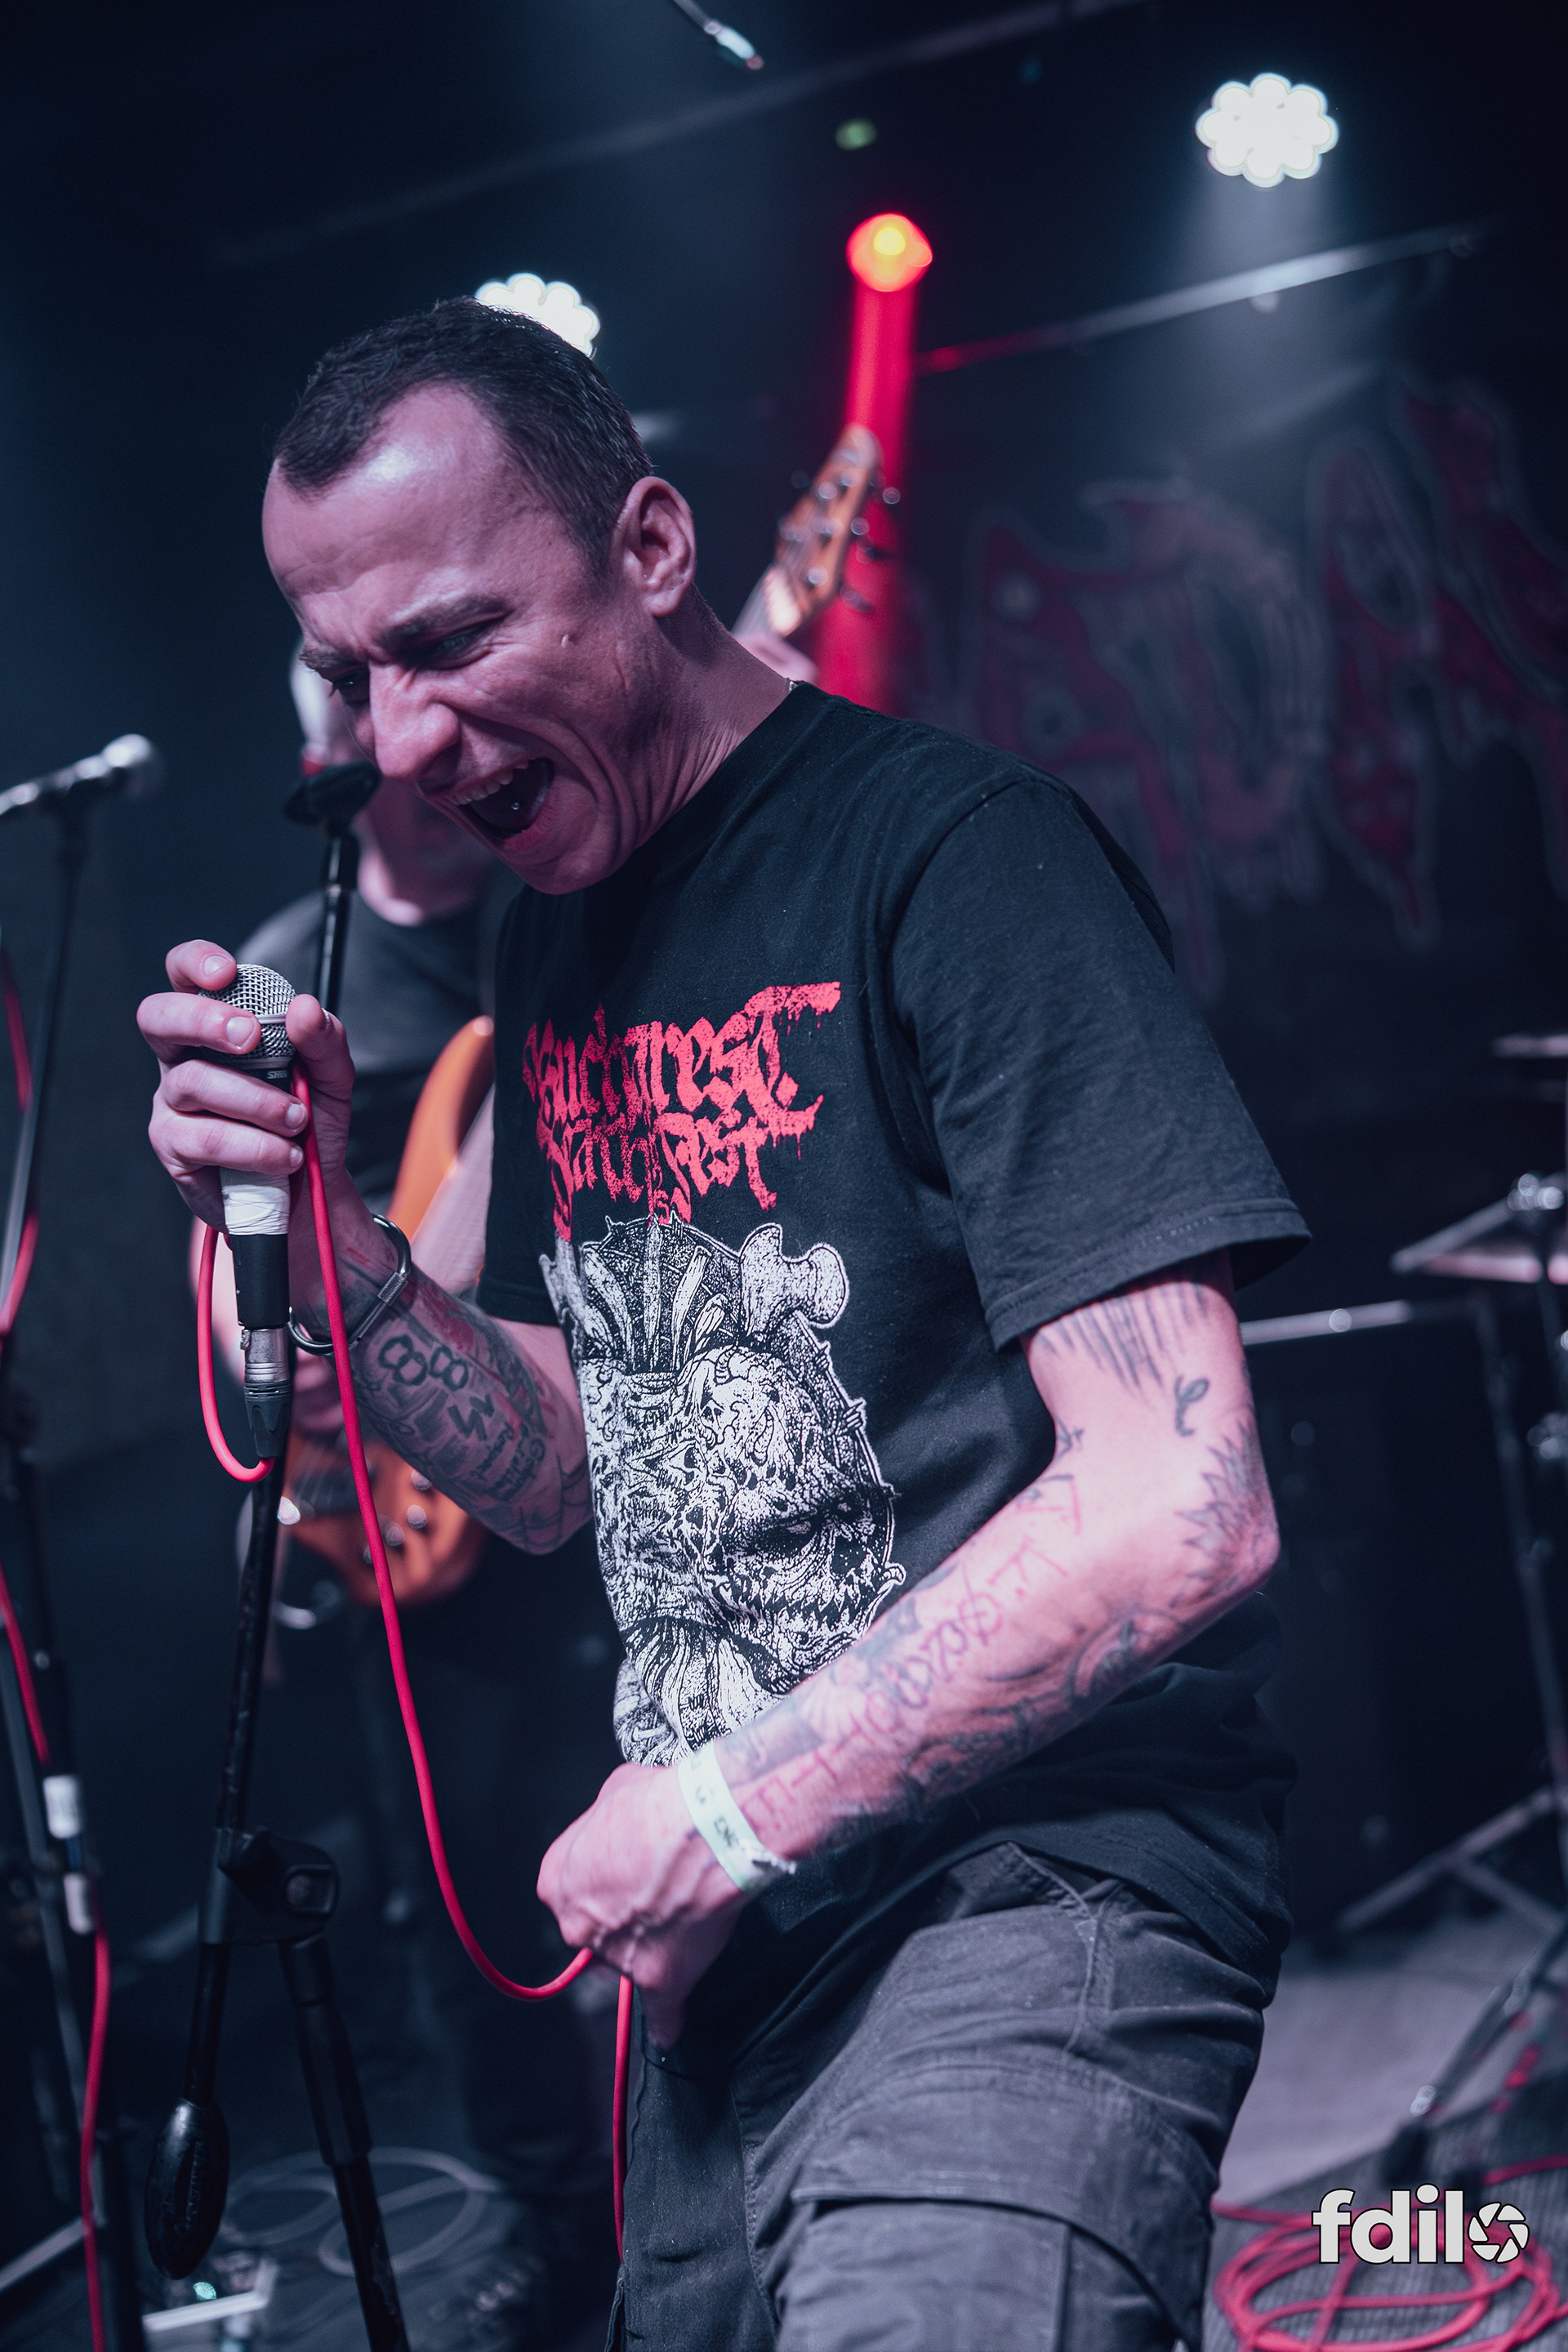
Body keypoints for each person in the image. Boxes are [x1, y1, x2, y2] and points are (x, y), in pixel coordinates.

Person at [140, 299, 1308, 2352]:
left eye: (450, 643)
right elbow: (564, 1465)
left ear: (655, 548)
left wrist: (727, 1804)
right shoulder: (559, 933)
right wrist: (337, 1252)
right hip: (740, 1965)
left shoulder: (957, 861)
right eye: (354, 676)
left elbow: (1177, 1502)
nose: (398, 742)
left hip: (1024, 1892)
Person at [209, 658, 626, 2350]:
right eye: (379, 742)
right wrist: (277, 1350)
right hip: (394, 1516)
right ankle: (561, 2230)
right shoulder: (291, 966)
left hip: (604, 1431)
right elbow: (226, 1264)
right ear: (332, 759)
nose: (432, 764)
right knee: (470, 1903)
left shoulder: (568, 910)